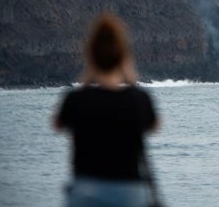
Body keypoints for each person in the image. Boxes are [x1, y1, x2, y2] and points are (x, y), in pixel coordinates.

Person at [53, 13, 160, 207]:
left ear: (90, 55)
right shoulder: (139, 99)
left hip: (86, 191)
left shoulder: (76, 99)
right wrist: (129, 77)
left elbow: (58, 124)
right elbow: (152, 125)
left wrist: (88, 77)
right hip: (130, 193)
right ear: (123, 56)